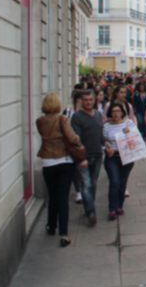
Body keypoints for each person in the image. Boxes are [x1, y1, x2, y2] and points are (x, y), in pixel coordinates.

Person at [36, 93, 82, 247]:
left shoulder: (40, 121)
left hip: (47, 161)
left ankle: (51, 225)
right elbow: (72, 138)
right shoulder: (62, 119)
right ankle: (64, 234)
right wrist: (76, 139)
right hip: (64, 160)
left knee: (53, 195)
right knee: (63, 197)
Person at [70, 90, 105, 227]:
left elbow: (100, 134)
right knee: (86, 184)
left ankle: (89, 205)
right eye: (86, 100)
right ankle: (91, 212)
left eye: (91, 100)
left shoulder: (97, 114)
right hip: (83, 157)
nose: (88, 102)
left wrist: (106, 143)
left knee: (94, 184)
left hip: (97, 155)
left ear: (94, 100)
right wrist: (81, 158)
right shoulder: (77, 117)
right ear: (81, 101)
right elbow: (76, 140)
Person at [102, 102, 135, 220]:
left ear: (122, 112)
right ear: (110, 113)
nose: (115, 114)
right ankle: (112, 208)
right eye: (113, 111)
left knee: (122, 182)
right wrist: (106, 148)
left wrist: (129, 133)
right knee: (114, 182)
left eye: (118, 111)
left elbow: (136, 140)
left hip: (126, 156)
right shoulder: (106, 126)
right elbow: (102, 141)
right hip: (112, 157)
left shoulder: (129, 123)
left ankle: (119, 206)